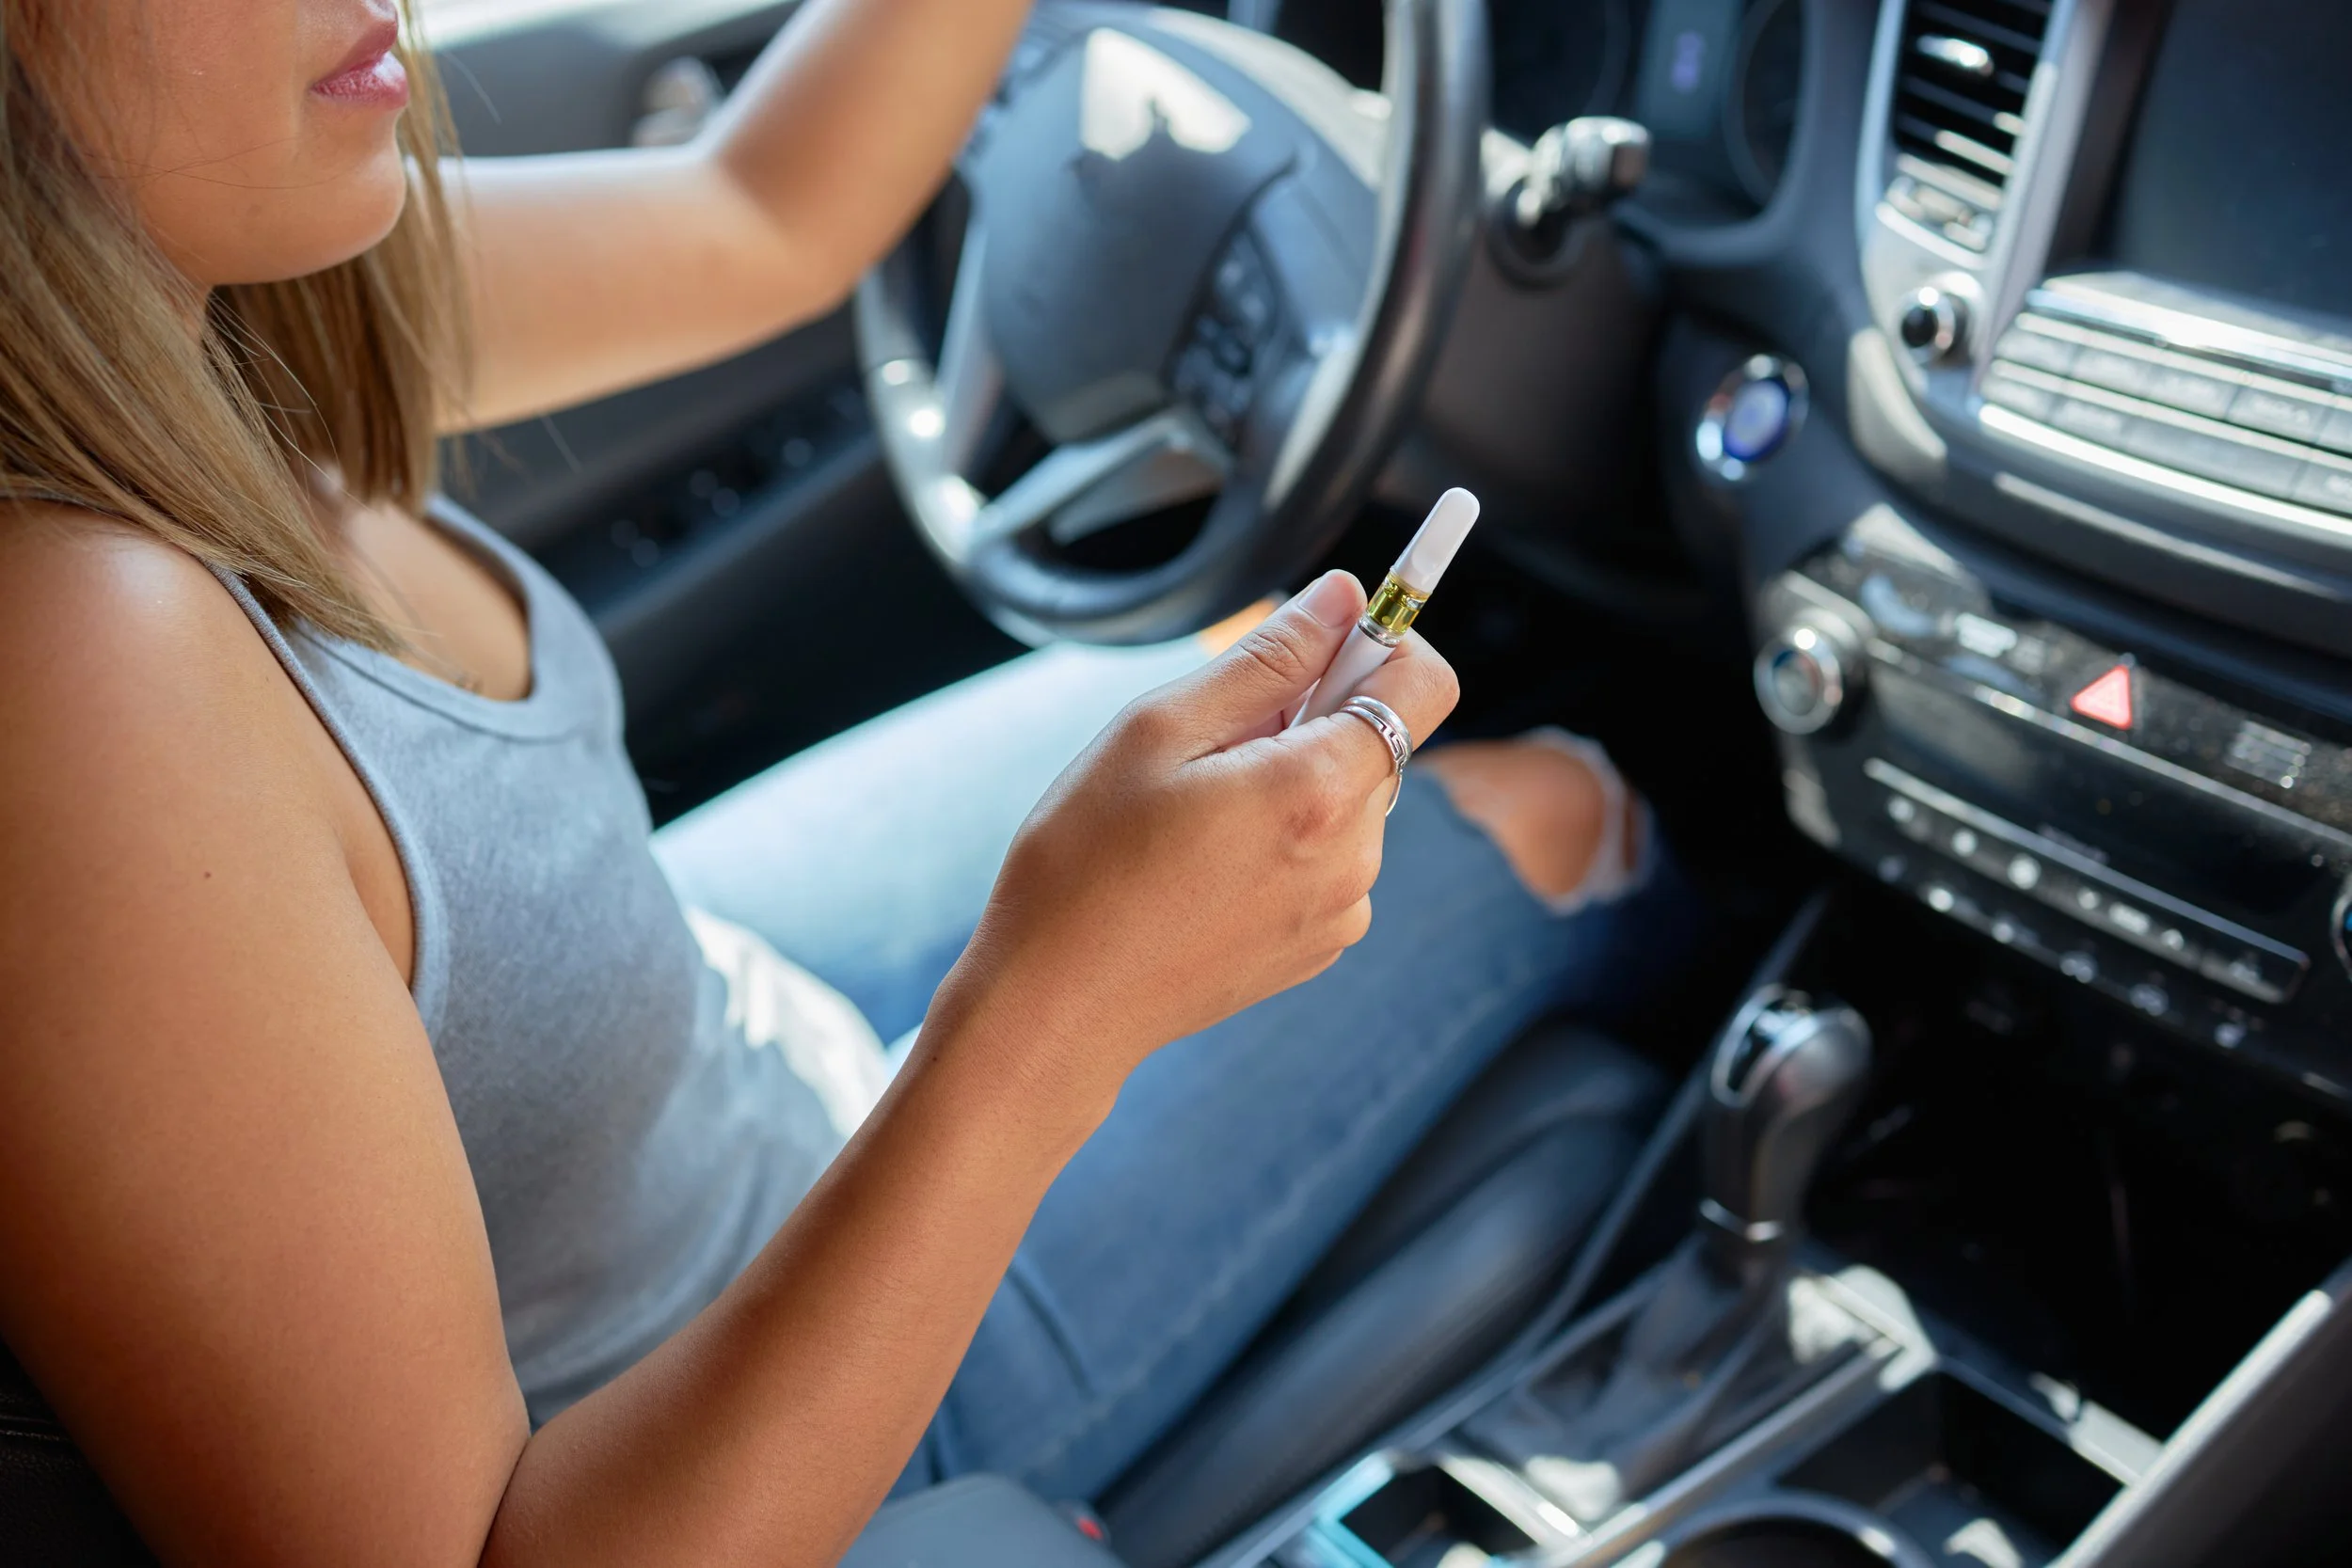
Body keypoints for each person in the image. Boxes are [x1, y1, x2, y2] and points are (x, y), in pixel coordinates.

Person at [0, 2, 1691, 1563]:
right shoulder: (75, 659)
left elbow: (766, 212)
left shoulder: (214, 272)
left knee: (1271, 668)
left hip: (697, 1024)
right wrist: (1056, 1008)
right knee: (1558, 811)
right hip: (771, 1394)